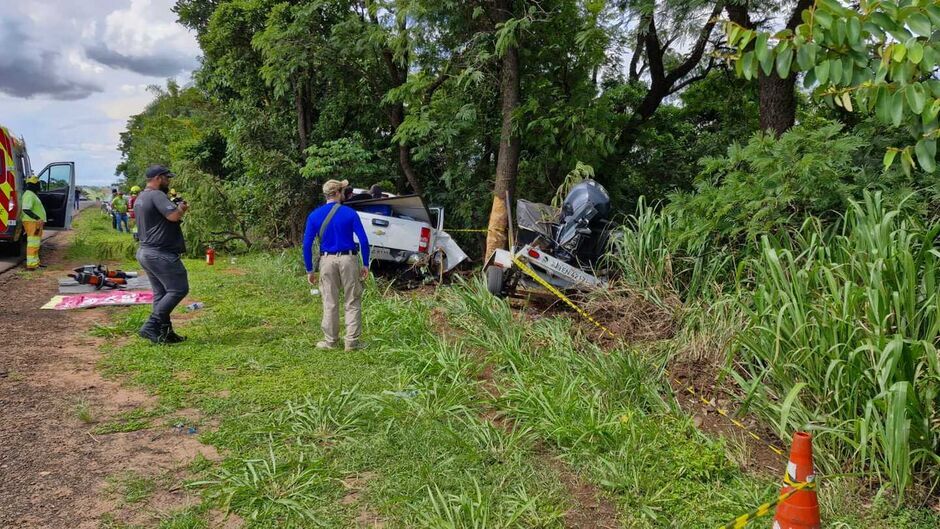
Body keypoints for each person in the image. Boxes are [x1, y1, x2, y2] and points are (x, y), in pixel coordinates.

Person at [302, 179, 370, 351]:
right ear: (339, 193)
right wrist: (366, 264)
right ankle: (352, 342)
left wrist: (310, 269)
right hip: (349, 259)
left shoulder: (314, 215)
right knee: (352, 299)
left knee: (330, 300)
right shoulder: (350, 213)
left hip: (327, 260)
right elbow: (363, 240)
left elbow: (307, 244)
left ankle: (331, 341)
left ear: (326, 194)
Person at [134, 165, 190, 344]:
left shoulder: (140, 197)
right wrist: (181, 208)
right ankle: (151, 325)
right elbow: (173, 216)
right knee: (178, 289)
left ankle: (165, 333)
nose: (169, 181)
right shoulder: (156, 195)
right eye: (167, 178)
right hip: (160, 253)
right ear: (158, 178)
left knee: (161, 293)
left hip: (145, 252)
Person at [21, 175, 46, 270]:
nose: (39, 186)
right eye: (38, 184)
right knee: (33, 244)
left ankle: (36, 263)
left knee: (35, 243)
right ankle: (32, 265)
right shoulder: (29, 195)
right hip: (32, 222)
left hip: (35, 222)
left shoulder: (31, 194)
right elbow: (26, 209)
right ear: (34, 185)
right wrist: (37, 218)